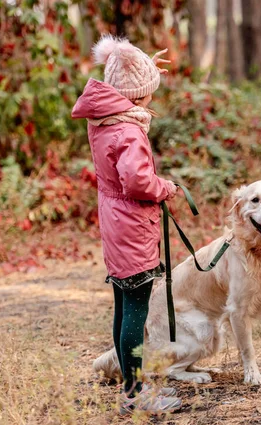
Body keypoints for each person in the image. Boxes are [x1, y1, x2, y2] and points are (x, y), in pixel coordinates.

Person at [71, 35, 181, 414]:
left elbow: (119, 176)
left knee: (123, 305)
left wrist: (141, 67)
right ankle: (136, 394)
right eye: (150, 91)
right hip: (133, 226)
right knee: (135, 310)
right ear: (138, 96)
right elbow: (138, 182)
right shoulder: (130, 131)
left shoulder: (104, 120)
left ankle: (130, 386)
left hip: (115, 224)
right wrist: (167, 188)